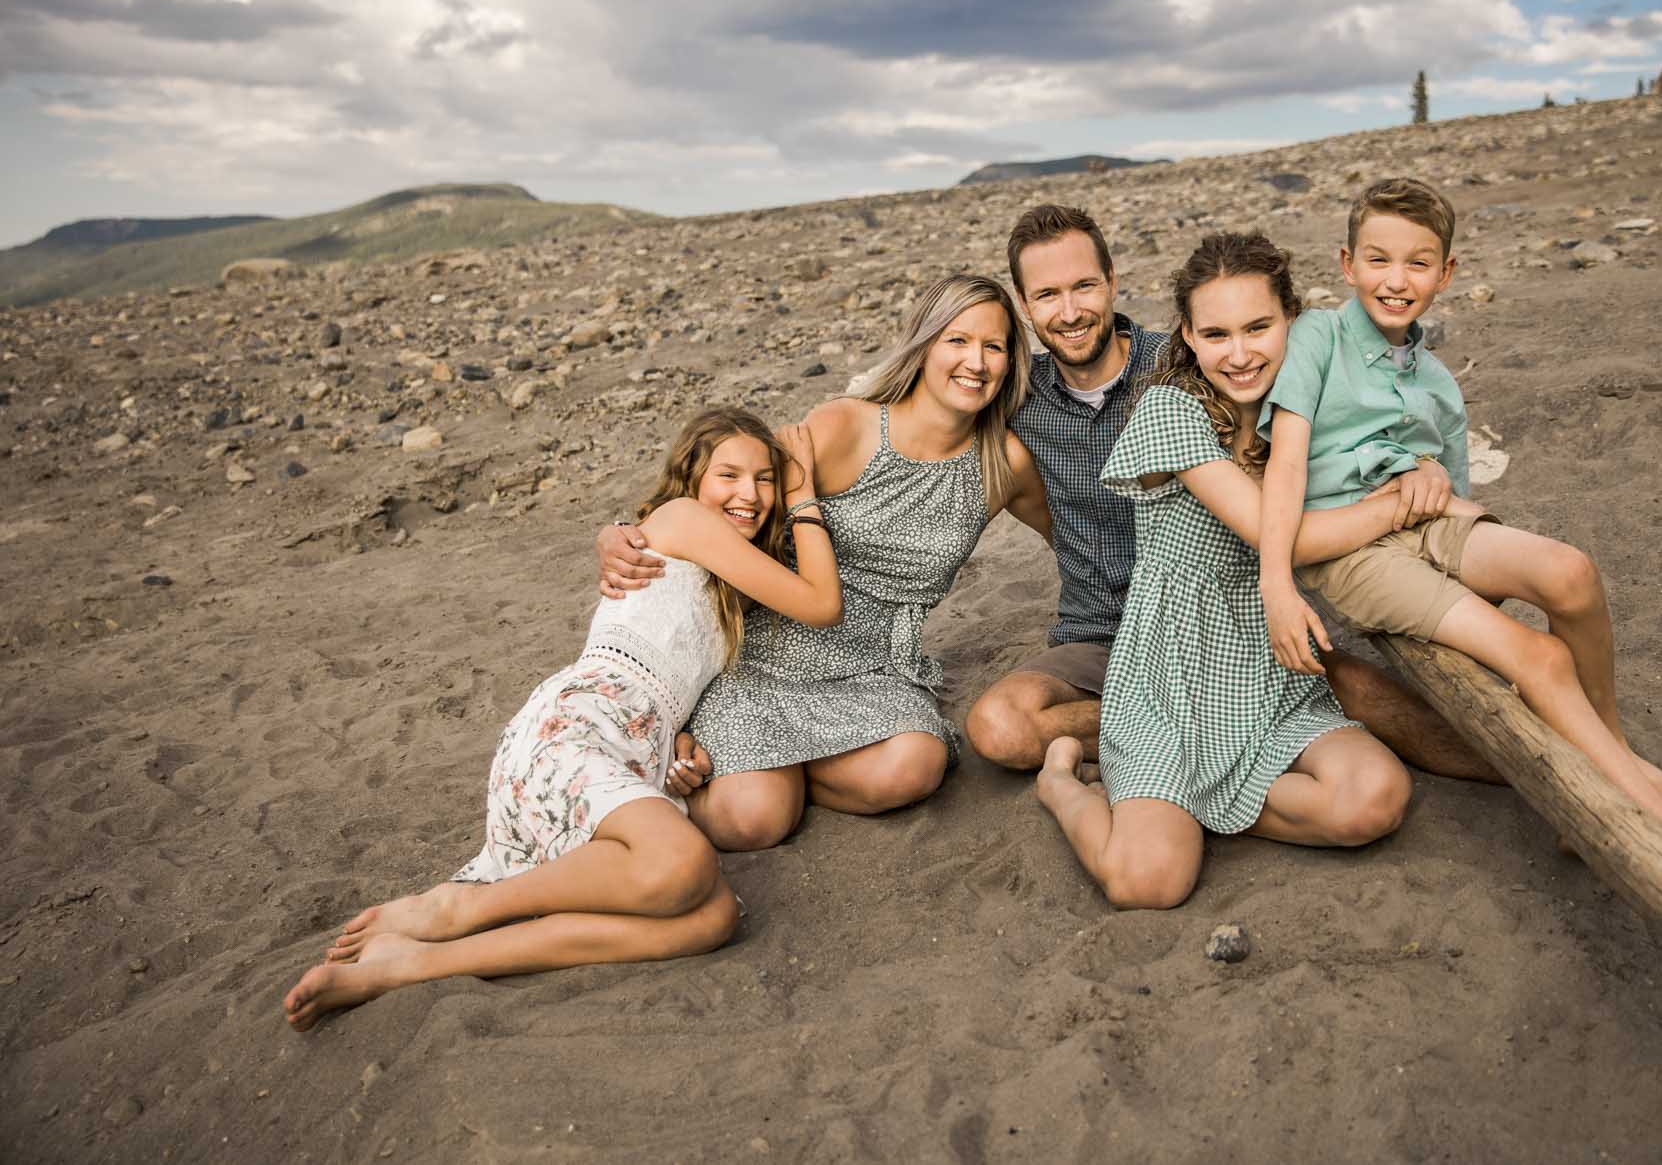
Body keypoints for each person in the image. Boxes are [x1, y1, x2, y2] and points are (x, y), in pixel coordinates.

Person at [1256, 178, 1662, 921]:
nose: (1397, 278)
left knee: (1570, 572)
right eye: (1379, 259)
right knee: (1539, 657)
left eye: (1419, 263)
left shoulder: (1439, 382)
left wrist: (1435, 476)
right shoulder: (1317, 336)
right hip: (1355, 549)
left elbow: (1461, 505)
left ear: (1447, 275)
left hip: (1428, 526)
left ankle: (1615, 757)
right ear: (1346, 263)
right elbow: (1286, 462)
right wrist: (1277, 583)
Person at [282, 407, 838, 1030]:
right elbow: (820, 603)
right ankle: (459, 909)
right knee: (683, 866)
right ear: (690, 478)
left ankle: (407, 964)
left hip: (634, 745)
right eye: (729, 474)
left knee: (713, 919)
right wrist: (803, 493)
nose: (751, 494)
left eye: (766, 479)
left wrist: (683, 736)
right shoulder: (684, 519)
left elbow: (673, 661)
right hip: (579, 724)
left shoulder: (729, 583)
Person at [962, 203, 1497, 783]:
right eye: (1047, 295)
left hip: (1232, 623)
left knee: (1377, 700)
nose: (1070, 311)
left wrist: (1418, 464)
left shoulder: (1194, 363)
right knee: (1001, 726)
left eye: (1085, 286)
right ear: (1023, 304)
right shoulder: (1018, 394)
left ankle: (1518, 773)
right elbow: (927, 412)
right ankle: (1188, 732)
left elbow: (1337, 412)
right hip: (1101, 631)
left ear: (1113, 281)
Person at [1037, 233, 1462, 909]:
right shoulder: (1168, 411)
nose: (1239, 353)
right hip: (1169, 672)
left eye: (1259, 327)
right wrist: (1394, 509)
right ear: (1188, 336)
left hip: (1267, 663)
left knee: (1373, 800)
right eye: (1216, 333)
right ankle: (1063, 785)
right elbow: (1279, 536)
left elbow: (1398, 436)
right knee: (1148, 881)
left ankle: (1202, 807)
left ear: (1292, 319)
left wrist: (1423, 467)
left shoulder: (1302, 412)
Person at [600, 273, 1050, 851]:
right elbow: (734, 506)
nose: (977, 362)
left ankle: (774, 770)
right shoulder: (846, 425)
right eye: (957, 341)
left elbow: (1076, 543)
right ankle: (753, 771)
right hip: (766, 658)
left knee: (915, 768)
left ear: (1013, 362)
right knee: (755, 823)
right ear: (924, 343)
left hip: (875, 671)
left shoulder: (1003, 462)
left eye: (995, 346)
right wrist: (621, 532)